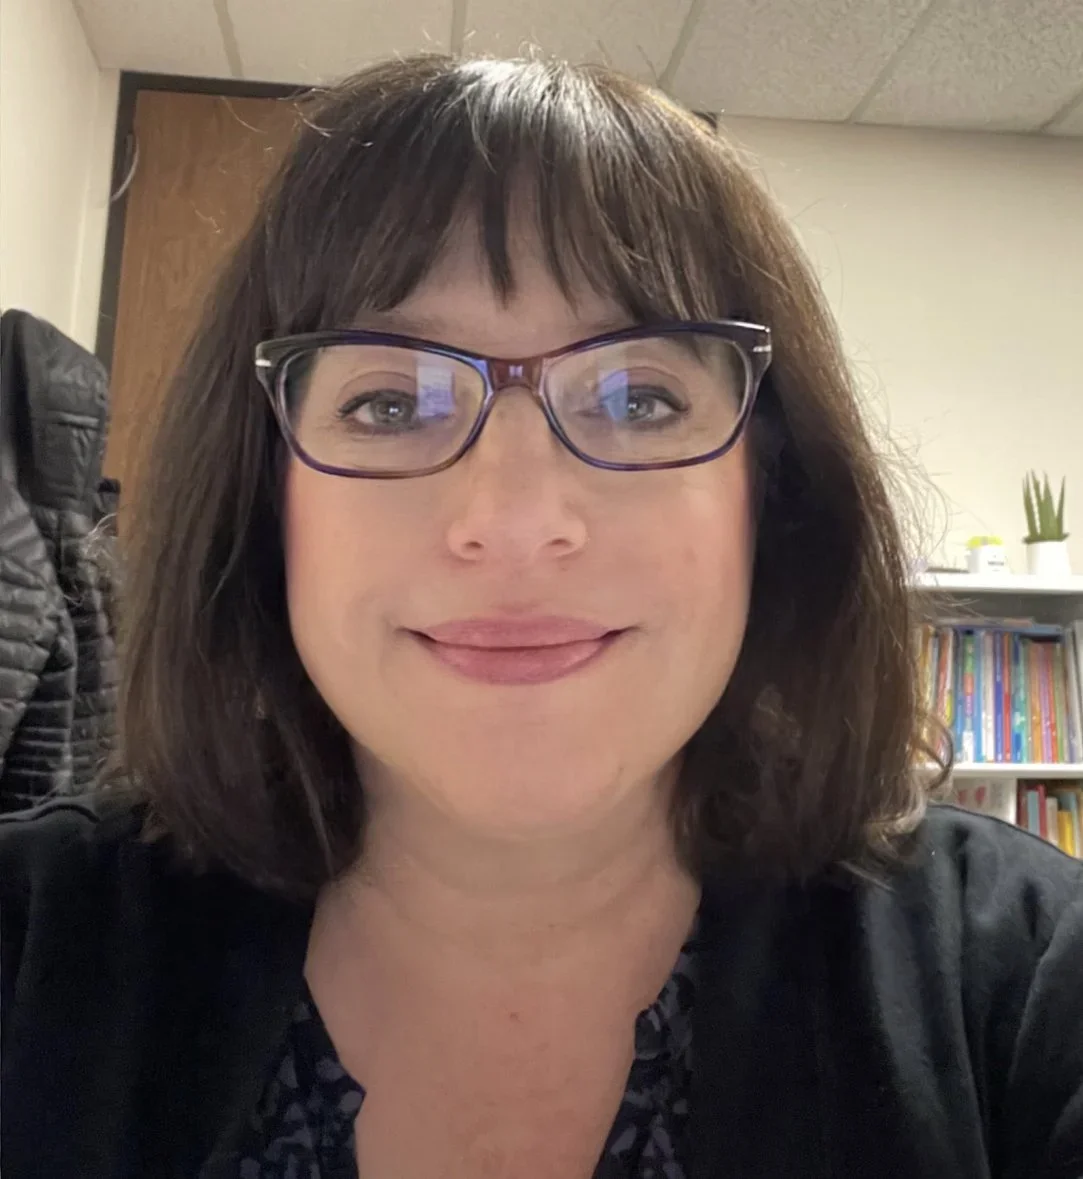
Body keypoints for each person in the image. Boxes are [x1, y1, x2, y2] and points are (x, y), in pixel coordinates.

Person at [1, 53, 1081, 1179]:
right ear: (263, 500)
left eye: (637, 397)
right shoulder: (34, 952)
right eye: (389, 400)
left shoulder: (1021, 978)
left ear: (776, 495)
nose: (513, 520)